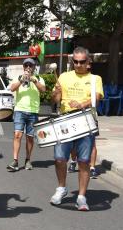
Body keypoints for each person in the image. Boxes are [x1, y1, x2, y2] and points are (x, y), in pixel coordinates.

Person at [50, 47, 103, 211]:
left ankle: (81, 196)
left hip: (85, 122)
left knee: (84, 161)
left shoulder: (95, 79)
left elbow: (97, 98)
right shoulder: (64, 77)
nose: (78, 65)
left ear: (88, 63)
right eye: (76, 61)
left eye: (82, 62)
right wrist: (56, 94)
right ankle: (61, 188)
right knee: (59, 158)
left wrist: (82, 104)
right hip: (65, 122)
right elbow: (54, 99)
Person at [7, 58, 46, 172]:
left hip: (33, 111)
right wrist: (21, 80)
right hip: (19, 110)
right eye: (26, 66)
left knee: (30, 138)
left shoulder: (38, 78)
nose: (28, 68)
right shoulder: (18, 77)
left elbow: (43, 89)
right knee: (17, 135)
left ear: (34, 68)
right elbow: (12, 88)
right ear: (23, 67)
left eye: (31, 66)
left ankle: (28, 160)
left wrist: (34, 80)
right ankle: (15, 160)